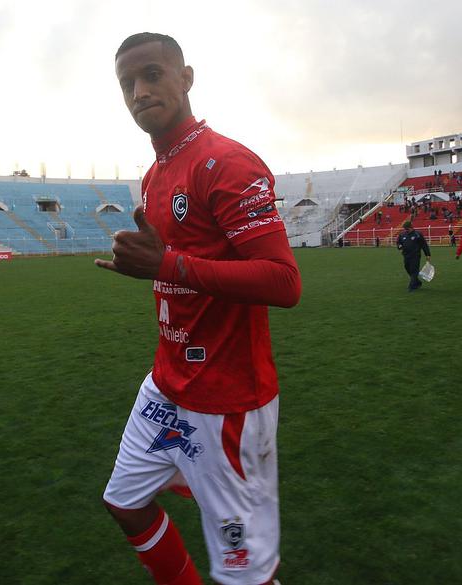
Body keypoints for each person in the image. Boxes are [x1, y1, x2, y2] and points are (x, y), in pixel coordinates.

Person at [97, 32, 301, 585]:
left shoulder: (227, 163)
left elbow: (284, 281)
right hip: (167, 385)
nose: (139, 92)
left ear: (186, 78)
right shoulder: (154, 175)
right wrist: (159, 266)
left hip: (226, 399)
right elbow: (177, 265)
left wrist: (167, 266)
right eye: (127, 83)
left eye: (152, 75)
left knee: (245, 574)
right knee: (124, 503)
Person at [396, 220, 431, 292]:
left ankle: (411, 286)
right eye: (405, 229)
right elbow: (398, 242)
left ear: (411, 227)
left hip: (415, 256)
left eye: (407, 229)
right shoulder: (402, 235)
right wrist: (399, 246)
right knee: (407, 268)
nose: (406, 230)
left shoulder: (418, 234)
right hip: (406, 255)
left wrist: (427, 254)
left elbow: (424, 245)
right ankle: (417, 282)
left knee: (414, 270)